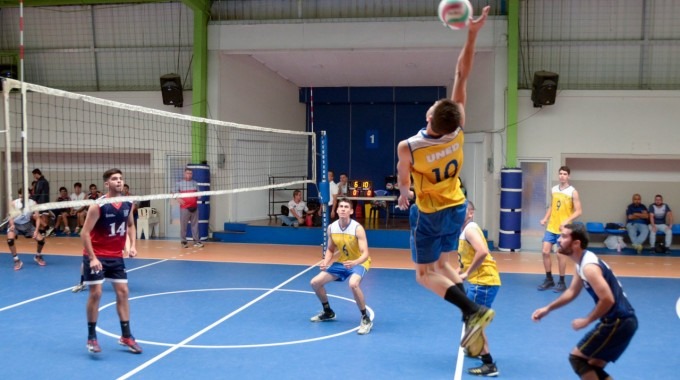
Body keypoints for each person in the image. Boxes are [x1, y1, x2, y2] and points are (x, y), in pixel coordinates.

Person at [395, 6, 494, 353]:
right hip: (457, 206)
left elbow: (403, 179)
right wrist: (472, 33)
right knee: (444, 266)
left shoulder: (409, 146)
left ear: (430, 115)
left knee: (424, 275)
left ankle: (473, 310)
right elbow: (461, 74)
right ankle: (472, 319)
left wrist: (405, 194)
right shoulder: (457, 132)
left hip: (430, 211)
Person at [532, 223, 637, 380]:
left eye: (564, 236)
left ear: (576, 243)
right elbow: (572, 292)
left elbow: (607, 299)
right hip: (622, 321)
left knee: (577, 359)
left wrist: (587, 320)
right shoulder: (582, 263)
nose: (559, 240)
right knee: (593, 366)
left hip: (618, 321)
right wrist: (548, 309)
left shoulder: (589, 267)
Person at [81, 168, 142, 354]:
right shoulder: (97, 206)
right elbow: (84, 233)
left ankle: (126, 336)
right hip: (97, 256)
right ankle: (91, 337)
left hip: (116, 256)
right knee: (96, 293)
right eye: (115, 179)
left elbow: (130, 225)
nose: (119, 181)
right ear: (107, 183)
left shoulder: (127, 204)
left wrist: (132, 245)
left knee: (123, 292)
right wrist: (92, 258)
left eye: (121, 179)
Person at [309, 197, 373, 335]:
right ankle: (328, 312)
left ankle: (365, 318)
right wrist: (326, 261)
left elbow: (365, 254)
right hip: (342, 262)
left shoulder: (357, 228)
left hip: (359, 262)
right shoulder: (332, 228)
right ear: (337, 210)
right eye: (341, 206)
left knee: (353, 284)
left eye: (346, 207)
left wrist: (355, 263)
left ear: (351, 211)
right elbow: (331, 249)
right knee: (315, 282)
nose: (343, 209)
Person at [456, 201, 500, 377]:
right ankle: (476, 348)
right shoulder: (464, 231)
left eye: (462, 209)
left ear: (470, 213)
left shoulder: (470, 229)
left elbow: (482, 252)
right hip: (480, 282)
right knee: (472, 320)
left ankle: (489, 364)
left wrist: (466, 273)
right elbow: (464, 261)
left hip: (483, 282)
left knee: (475, 323)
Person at [538, 166, 582, 292]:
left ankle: (562, 282)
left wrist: (566, 221)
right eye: (560, 173)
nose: (562, 176)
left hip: (564, 229)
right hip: (551, 226)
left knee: (560, 254)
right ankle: (549, 279)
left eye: (565, 174)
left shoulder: (573, 191)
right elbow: (552, 206)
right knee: (545, 252)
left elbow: (579, 211)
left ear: (569, 176)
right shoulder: (554, 189)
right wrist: (545, 218)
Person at [6, 188, 47, 269]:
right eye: (22, 194)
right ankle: (17, 260)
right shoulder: (14, 203)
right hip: (15, 225)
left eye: (27, 194)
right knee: (10, 240)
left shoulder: (33, 203)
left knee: (41, 240)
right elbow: (10, 216)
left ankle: (38, 256)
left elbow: (38, 218)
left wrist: (36, 230)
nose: (24, 195)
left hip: (27, 225)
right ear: (20, 195)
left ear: (29, 195)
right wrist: (12, 224)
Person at [174, 168, 203, 248]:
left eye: (190, 173)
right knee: (183, 226)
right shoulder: (179, 183)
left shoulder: (195, 183)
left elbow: (199, 193)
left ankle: (196, 241)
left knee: (195, 225)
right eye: (187, 173)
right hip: (184, 208)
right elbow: (173, 193)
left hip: (194, 207)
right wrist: (177, 198)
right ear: (184, 174)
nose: (189, 175)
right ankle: (183, 241)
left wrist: (199, 195)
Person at [31, 168, 52, 236]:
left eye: (34, 175)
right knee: (44, 216)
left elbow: (38, 192)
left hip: (41, 201)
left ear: (36, 174)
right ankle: (44, 231)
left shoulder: (40, 182)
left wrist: (33, 200)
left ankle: (47, 228)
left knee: (37, 216)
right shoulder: (45, 181)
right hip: (45, 201)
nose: (34, 177)